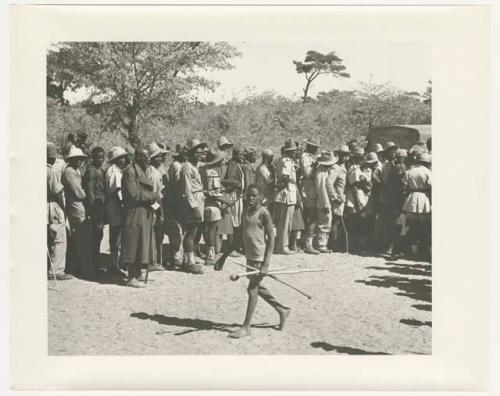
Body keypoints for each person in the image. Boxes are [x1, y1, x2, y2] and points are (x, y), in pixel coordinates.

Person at [229, 184, 291, 339]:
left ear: (261, 197)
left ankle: (246, 327)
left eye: (253, 195)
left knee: (252, 290)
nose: (250, 198)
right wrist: (223, 257)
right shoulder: (245, 211)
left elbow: (271, 239)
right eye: (248, 195)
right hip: (249, 256)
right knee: (257, 288)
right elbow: (240, 236)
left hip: (259, 256)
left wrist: (266, 264)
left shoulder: (264, 213)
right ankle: (282, 310)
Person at [121, 147, 161, 287]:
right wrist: (154, 195)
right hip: (134, 211)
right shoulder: (130, 171)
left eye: (148, 156)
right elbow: (134, 194)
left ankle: (138, 273)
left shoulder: (143, 170)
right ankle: (131, 276)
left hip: (144, 211)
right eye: (145, 157)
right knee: (133, 243)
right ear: (137, 157)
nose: (148, 159)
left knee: (142, 242)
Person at [62, 146, 92, 277]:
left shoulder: (75, 171)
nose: (80, 161)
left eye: (81, 159)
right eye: (77, 159)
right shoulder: (69, 172)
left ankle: (80, 266)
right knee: (80, 235)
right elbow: (78, 193)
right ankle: (82, 268)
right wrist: (89, 193)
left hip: (77, 205)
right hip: (75, 205)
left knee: (81, 235)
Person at [179, 138, 207, 274]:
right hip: (192, 202)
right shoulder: (186, 167)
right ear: (190, 153)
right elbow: (187, 190)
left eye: (201, 151)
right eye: (197, 151)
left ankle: (189, 258)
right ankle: (189, 262)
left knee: (195, 232)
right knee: (190, 232)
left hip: (198, 198)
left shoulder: (194, 167)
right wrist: (194, 207)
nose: (200, 154)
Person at [47, 142, 72, 280]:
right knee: (59, 239)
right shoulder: (50, 171)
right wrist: (64, 208)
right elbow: (58, 191)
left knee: (49, 238)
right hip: (52, 205)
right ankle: (56, 270)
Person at [200, 148, 229, 266]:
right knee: (212, 230)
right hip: (212, 205)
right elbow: (214, 193)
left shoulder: (202, 169)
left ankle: (204, 251)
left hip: (203, 203)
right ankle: (210, 255)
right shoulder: (212, 173)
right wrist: (226, 201)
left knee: (205, 230)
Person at [401, 152, 432, 260]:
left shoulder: (409, 171)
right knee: (425, 226)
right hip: (424, 198)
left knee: (412, 225)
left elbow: (403, 186)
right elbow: (431, 186)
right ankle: (426, 251)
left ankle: (414, 251)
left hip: (412, 198)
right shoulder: (428, 172)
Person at [104, 147, 128, 277]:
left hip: (116, 207)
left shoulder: (116, 171)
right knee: (116, 236)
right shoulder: (114, 172)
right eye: (122, 157)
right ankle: (113, 265)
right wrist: (121, 207)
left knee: (117, 236)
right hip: (116, 207)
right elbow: (115, 193)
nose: (124, 159)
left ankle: (116, 263)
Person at [82, 146, 106, 274]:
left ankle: (95, 265)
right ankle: (93, 266)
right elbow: (90, 192)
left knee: (99, 235)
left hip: (101, 205)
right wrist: (91, 211)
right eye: (97, 157)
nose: (100, 159)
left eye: (102, 157)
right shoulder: (91, 171)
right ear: (93, 157)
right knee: (95, 237)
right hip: (95, 207)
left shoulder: (100, 169)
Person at [273, 139, 299, 254]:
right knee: (285, 223)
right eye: (293, 151)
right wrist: (291, 180)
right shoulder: (287, 162)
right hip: (287, 194)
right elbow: (285, 177)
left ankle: (281, 245)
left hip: (284, 194)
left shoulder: (281, 160)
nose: (295, 153)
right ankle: (283, 246)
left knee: (282, 223)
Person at [145, 142, 168, 271]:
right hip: (154, 206)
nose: (160, 158)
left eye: (160, 156)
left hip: (156, 204)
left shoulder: (156, 171)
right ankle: (151, 261)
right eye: (157, 156)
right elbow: (154, 194)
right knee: (153, 233)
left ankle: (154, 260)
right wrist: (158, 210)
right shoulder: (152, 173)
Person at [164, 146, 186, 268]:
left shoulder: (175, 165)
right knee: (177, 230)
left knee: (177, 230)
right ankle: (176, 256)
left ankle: (176, 255)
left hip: (175, 200)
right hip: (176, 201)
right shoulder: (177, 166)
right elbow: (178, 184)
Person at [222, 146, 246, 256]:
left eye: (242, 154)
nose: (241, 157)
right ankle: (231, 247)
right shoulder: (232, 164)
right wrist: (237, 184)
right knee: (234, 222)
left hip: (237, 195)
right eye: (239, 154)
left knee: (236, 221)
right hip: (234, 196)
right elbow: (229, 180)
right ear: (234, 155)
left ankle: (234, 246)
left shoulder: (236, 164)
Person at [299, 137, 320, 254]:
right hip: (308, 189)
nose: (316, 150)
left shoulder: (308, 157)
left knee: (308, 216)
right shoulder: (305, 158)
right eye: (315, 147)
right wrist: (316, 166)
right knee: (311, 216)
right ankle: (308, 244)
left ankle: (304, 241)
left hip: (309, 188)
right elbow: (307, 174)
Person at [326, 145, 349, 252]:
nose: (345, 157)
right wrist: (335, 196)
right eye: (343, 155)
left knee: (338, 221)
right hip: (337, 199)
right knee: (335, 221)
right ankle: (333, 244)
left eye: (346, 155)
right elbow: (329, 183)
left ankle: (335, 242)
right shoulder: (335, 168)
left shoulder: (343, 167)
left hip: (342, 197)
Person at [314, 150, 336, 253]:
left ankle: (322, 243)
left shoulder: (323, 171)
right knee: (324, 223)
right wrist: (326, 204)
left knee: (326, 222)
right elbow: (321, 189)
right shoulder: (321, 173)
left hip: (324, 201)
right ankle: (321, 245)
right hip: (323, 201)